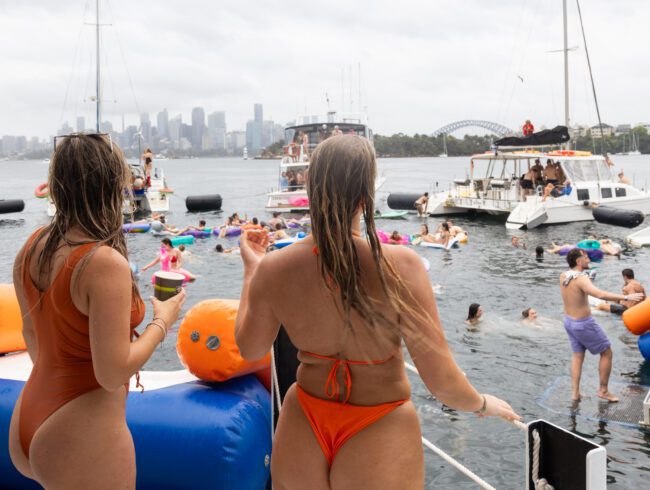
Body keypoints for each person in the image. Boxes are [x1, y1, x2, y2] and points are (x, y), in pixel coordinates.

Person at [234, 134, 519, 488]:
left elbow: (250, 348)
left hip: (303, 418)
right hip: (379, 422)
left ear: (311, 190)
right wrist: (481, 404)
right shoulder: (399, 266)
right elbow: (442, 382)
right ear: (366, 196)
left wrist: (251, 271)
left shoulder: (273, 267)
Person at [8, 133, 185, 488]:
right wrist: (162, 321)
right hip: (80, 424)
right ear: (109, 187)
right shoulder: (101, 263)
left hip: (31, 413)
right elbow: (111, 372)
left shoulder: (32, 247)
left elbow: (32, 337)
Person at [559, 248, 643, 402]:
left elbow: (577, 293)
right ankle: (603, 390)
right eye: (585, 257)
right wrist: (626, 296)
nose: (588, 259)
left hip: (568, 322)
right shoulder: (581, 278)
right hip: (583, 323)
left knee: (577, 356)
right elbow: (599, 294)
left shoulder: (564, 276)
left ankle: (575, 393)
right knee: (606, 352)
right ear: (578, 261)